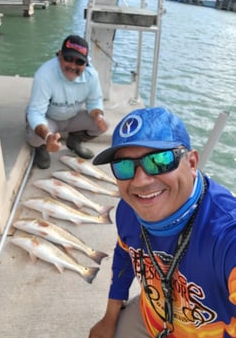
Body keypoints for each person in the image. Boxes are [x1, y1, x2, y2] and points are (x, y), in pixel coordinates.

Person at [89, 107, 236, 338]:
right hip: (152, 319)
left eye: (159, 160)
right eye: (124, 166)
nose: (140, 181)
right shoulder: (129, 209)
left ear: (192, 163)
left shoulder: (226, 233)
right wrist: (110, 317)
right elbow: (124, 255)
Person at [26, 34, 108, 169]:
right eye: (68, 59)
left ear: (86, 63)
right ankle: (42, 147)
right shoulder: (44, 75)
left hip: (72, 117)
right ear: (59, 55)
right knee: (34, 136)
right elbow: (35, 113)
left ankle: (74, 141)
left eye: (79, 62)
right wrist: (47, 137)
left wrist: (98, 116)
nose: (72, 66)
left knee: (102, 124)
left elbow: (94, 103)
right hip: (49, 118)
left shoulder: (92, 75)